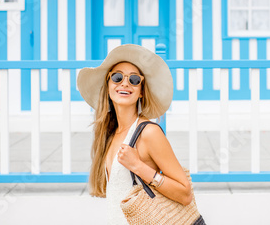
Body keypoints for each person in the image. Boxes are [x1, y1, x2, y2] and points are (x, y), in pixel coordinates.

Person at [77, 44, 193, 224]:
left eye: (134, 79)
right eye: (117, 77)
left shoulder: (149, 132)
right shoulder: (110, 133)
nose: (124, 83)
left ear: (141, 92)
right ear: (108, 85)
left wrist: (139, 166)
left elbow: (185, 194)